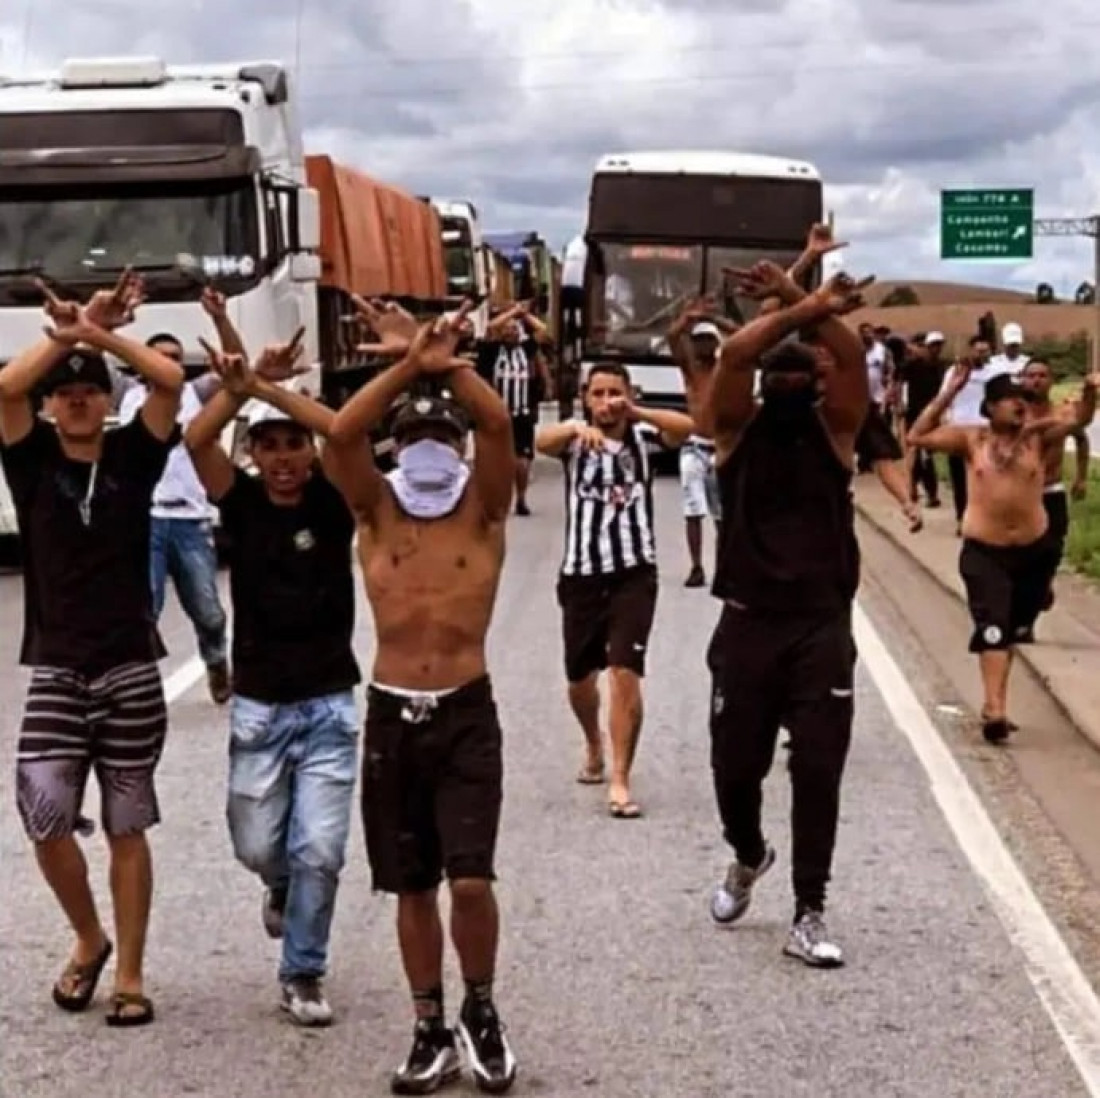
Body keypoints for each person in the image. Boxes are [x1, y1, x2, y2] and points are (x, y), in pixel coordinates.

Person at [325, 301, 518, 1094]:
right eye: (417, 437)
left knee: (469, 880)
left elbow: (501, 427)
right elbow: (339, 437)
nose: (431, 450)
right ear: (397, 447)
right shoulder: (375, 511)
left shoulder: (484, 509)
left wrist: (449, 363)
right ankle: (427, 1024)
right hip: (391, 715)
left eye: (444, 437)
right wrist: (407, 369)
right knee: (411, 885)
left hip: (466, 712)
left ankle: (481, 1008)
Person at [0, 272, 183, 1026]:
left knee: (127, 824)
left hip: (130, 665)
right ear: (50, 404)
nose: (77, 398)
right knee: (43, 814)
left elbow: (169, 379)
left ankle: (131, 975)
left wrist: (100, 336)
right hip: (56, 665)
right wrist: (65, 336)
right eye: (66, 391)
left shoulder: (134, 459)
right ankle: (88, 938)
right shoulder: (31, 458)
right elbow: (5, 389)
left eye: (91, 390)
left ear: (108, 402)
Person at [183, 331, 360, 1026]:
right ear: (252, 455)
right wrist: (241, 388)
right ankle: (279, 885)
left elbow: (345, 433)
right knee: (259, 844)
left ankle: (304, 973)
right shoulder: (242, 502)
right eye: (269, 446)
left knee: (321, 848)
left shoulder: (335, 501)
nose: (284, 459)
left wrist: (272, 393)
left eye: (293, 445)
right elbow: (197, 442)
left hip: (329, 703)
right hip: (259, 704)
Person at [701, 260, 871, 969]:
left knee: (818, 769)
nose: (794, 389)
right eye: (784, 381)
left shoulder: (837, 431)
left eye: (805, 380)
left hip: (819, 625)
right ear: (767, 388)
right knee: (735, 769)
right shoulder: (735, 430)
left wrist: (812, 303)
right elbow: (737, 353)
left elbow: (854, 356)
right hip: (747, 623)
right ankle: (748, 854)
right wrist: (804, 307)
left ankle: (809, 909)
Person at [536, 363, 694, 817]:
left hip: (633, 572)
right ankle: (593, 742)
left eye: (615, 393)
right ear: (586, 398)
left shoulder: (643, 442)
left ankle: (622, 777)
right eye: (598, 393)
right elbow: (540, 443)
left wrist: (639, 412)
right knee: (580, 678)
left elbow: (686, 429)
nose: (607, 402)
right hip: (582, 572)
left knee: (625, 671)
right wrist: (573, 426)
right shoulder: (574, 443)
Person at [907, 364, 1097, 742]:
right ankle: (995, 708)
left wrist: (1091, 393)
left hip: (1034, 553)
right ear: (990, 407)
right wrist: (950, 391)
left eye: (1023, 399)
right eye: (1011, 399)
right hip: (985, 552)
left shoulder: (1038, 440)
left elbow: (1079, 421)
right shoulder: (971, 440)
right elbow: (916, 435)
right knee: (993, 626)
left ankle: (998, 694)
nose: (1020, 405)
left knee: (1013, 627)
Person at [117, 321, 231, 704]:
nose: (169, 364)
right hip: (143, 518)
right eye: (160, 358)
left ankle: (216, 662)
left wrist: (220, 320)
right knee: (144, 610)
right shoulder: (126, 396)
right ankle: (139, 686)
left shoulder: (196, 394)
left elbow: (238, 370)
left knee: (209, 612)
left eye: (176, 359)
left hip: (189, 520)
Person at [1019, 358, 1092, 621]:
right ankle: (1024, 613)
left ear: (1051, 381)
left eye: (1042, 375)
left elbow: (1081, 437)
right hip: (1022, 495)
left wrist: (1081, 477)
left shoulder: (1061, 413)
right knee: (1024, 554)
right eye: (1031, 375)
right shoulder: (1017, 414)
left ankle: (1043, 582)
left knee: (1052, 548)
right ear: (1022, 379)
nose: (1036, 380)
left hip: (1052, 489)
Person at [667, 302, 725, 586]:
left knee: (721, 514)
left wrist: (718, 320)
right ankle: (697, 566)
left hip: (722, 449)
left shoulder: (727, 369)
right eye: (698, 340)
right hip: (694, 448)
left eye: (707, 340)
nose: (702, 346)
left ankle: (724, 566)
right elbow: (672, 338)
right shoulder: (691, 371)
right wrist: (687, 318)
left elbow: (750, 339)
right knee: (693, 510)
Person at [477, 302, 552, 516]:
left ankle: (520, 497)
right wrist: (514, 313)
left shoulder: (526, 349)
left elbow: (542, 331)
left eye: (514, 328)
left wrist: (524, 314)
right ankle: (501, 498)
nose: (511, 331)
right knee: (498, 457)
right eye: (508, 329)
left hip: (521, 412)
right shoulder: (492, 350)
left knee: (522, 457)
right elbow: (491, 328)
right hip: (497, 412)